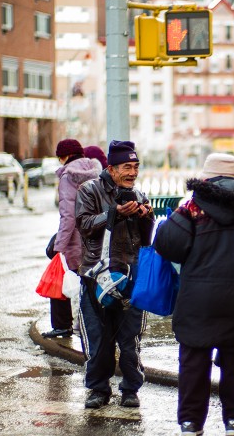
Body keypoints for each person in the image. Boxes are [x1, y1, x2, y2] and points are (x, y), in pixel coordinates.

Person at [154, 153, 234, 436]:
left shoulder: (190, 208)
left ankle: (191, 423)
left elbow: (168, 246)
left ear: (206, 176)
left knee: (193, 364)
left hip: (197, 301)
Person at [75, 140, 155, 409]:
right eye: (126, 167)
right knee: (98, 338)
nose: (132, 173)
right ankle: (98, 389)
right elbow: (84, 225)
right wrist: (114, 214)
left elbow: (146, 240)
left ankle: (131, 389)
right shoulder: (89, 190)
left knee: (130, 338)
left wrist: (146, 217)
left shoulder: (139, 195)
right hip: (96, 277)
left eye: (136, 167)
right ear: (110, 168)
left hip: (129, 277)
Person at [41, 139, 101, 339]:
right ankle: (92, 323)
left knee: (59, 276)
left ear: (64, 156)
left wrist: (59, 247)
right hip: (95, 236)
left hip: (76, 238)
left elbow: (68, 215)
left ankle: (63, 325)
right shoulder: (95, 171)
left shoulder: (68, 177)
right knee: (91, 281)